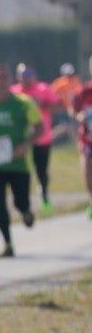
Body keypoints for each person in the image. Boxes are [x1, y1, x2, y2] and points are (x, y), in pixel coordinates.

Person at [0, 63, 42, 257]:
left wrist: (26, 145)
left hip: (18, 164)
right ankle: (7, 243)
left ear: (11, 80)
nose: (1, 81)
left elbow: (39, 128)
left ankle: (26, 212)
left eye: (4, 77)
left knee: (20, 203)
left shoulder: (23, 103)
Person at [12, 64, 61, 213]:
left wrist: (43, 104)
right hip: (21, 140)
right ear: (17, 77)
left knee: (41, 171)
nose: (27, 77)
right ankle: (22, 201)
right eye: (23, 74)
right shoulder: (14, 92)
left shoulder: (43, 89)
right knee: (22, 171)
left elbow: (59, 107)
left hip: (42, 138)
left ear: (34, 74)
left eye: (29, 73)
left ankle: (44, 192)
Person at [70, 56, 92, 220]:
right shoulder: (83, 91)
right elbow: (73, 110)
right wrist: (80, 117)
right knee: (88, 174)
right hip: (87, 140)